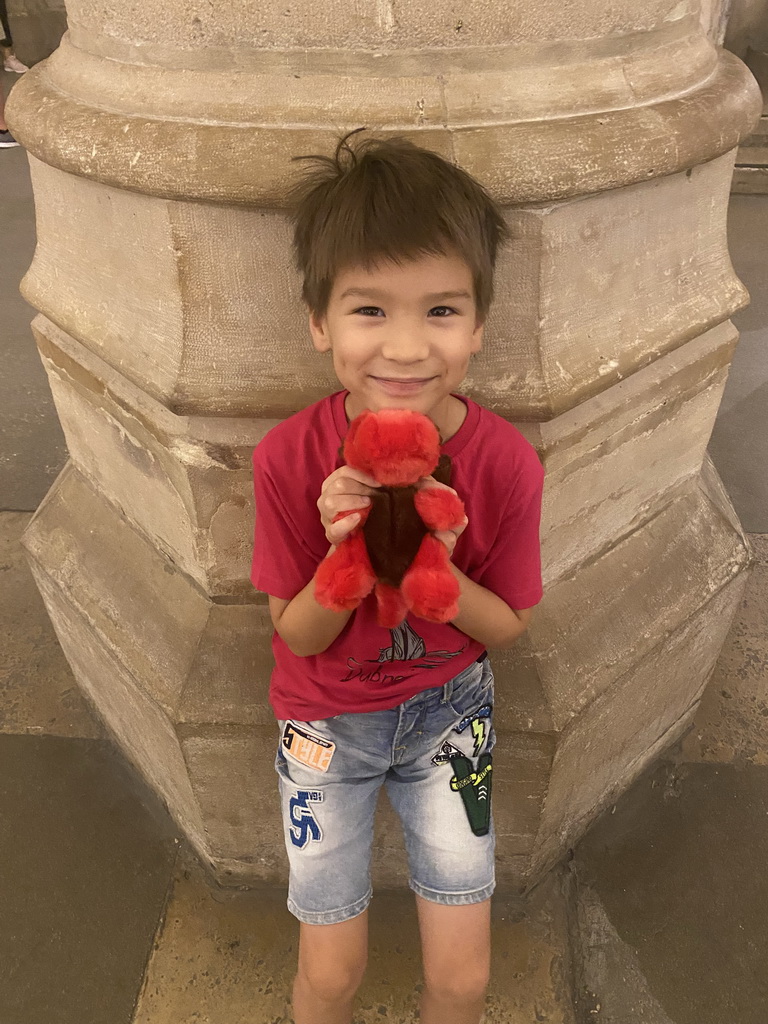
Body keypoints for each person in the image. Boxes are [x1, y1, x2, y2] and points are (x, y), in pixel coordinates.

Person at [251, 128, 545, 1024]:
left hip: (448, 718)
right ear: (319, 323)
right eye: (370, 310)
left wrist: (442, 578)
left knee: (462, 979)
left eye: (442, 311)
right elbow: (293, 634)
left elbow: (510, 629)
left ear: (480, 323)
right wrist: (342, 557)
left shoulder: (503, 463)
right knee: (331, 972)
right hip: (324, 727)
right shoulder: (289, 458)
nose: (408, 349)